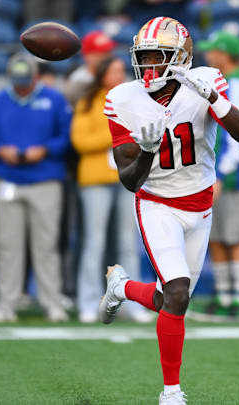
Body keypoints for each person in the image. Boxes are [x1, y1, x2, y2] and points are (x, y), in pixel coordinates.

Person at [98, 17, 239, 404]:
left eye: (159, 57)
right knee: (179, 294)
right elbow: (129, 180)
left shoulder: (206, 81)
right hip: (157, 203)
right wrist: (148, 151)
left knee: (166, 298)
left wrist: (217, 100)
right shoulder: (121, 99)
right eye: (143, 58)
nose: (148, 67)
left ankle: (120, 287)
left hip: (200, 205)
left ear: (182, 57)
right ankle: (171, 392)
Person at [0, 53, 72, 323]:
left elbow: (66, 137)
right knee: (8, 245)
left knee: (46, 246)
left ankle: (51, 302)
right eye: (17, 81)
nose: (22, 86)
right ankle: (6, 304)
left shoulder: (54, 99)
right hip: (7, 179)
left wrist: (44, 150)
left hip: (45, 180)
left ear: (36, 77)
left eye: (26, 81)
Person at [190, 31, 239, 322]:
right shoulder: (223, 83)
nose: (208, 56)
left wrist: (221, 173)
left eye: (213, 51)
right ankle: (224, 298)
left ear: (224, 54)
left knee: (236, 235)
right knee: (219, 236)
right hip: (217, 174)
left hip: (234, 174)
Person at [71, 56, 152, 324]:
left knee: (128, 242)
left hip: (127, 177)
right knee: (94, 242)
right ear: (102, 74)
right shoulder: (89, 101)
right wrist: (116, 133)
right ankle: (88, 301)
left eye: (121, 71)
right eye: (114, 71)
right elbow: (80, 140)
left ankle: (133, 304)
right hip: (95, 179)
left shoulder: (134, 101)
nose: (119, 75)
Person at [63, 31, 116, 104]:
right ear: (88, 56)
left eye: (108, 52)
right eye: (102, 53)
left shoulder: (118, 75)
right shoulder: (78, 79)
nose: (107, 57)